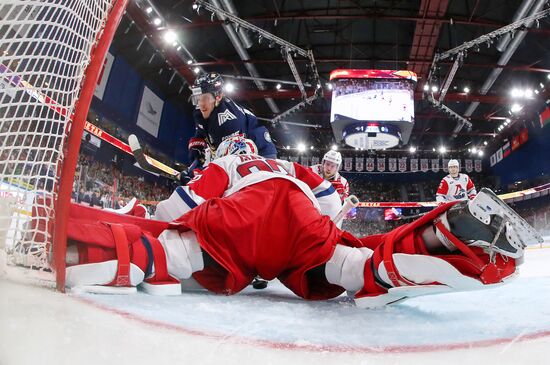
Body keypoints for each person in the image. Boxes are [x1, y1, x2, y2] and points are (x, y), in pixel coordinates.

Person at [63, 138, 538, 308]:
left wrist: (156, 221)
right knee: (346, 263)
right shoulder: (290, 167)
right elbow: (330, 206)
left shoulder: (227, 166)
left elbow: (178, 205)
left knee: (183, 248)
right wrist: (314, 235)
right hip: (300, 214)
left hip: (244, 216)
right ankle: (427, 248)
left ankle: (117, 257)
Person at [186, 72, 277, 177]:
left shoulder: (229, 122)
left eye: (205, 98)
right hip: (239, 149)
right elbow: (201, 133)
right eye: (198, 98)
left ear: (218, 96)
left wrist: (197, 173)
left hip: (263, 152)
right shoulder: (199, 112)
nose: (201, 104)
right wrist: (195, 149)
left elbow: (227, 164)